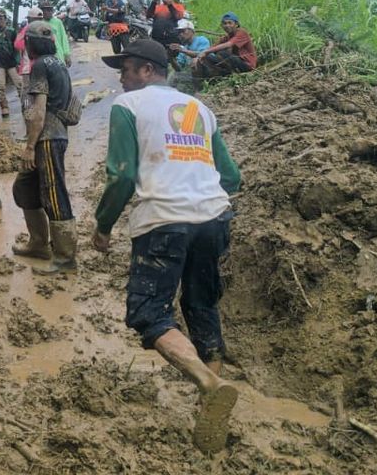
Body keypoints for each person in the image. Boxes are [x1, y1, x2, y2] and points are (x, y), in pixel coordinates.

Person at [91, 39, 241, 453]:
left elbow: (121, 175)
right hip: (213, 217)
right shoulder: (201, 110)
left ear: (144, 71)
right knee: (202, 306)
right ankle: (207, 417)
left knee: (148, 312)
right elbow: (231, 176)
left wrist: (103, 226)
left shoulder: (131, 106)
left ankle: (210, 383)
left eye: (125, 69)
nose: (121, 78)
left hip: (163, 221)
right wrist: (200, 192)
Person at [11, 21, 77, 272]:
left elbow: (39, 110)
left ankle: (65, 256)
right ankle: (38, 242)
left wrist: (29, 146)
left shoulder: (39, 66)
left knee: (53, 194)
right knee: (24, 187)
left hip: (47, 137)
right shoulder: (59, 64)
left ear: (30, 44)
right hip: (52, 135)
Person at [193, 13, 257, 81]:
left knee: (223, 53)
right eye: (225, 23)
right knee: (207, 58)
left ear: (236, 24)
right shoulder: (226, 37)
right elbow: (212, 48)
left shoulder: (242, 32)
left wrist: (206, 51)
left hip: (247, 65)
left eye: (230, 23)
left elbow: (229, 44)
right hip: (235, 63)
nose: (227, 25)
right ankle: (211, 79)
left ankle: (230, 73)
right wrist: (198, 57)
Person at [0, 9, 21, 120]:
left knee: (19, 84)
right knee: (0, 86)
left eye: (1, 18)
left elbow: (17, 47)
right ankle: (4, 107)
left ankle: (25, 104)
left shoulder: (11, 32)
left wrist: (17, 61)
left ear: (5, 19)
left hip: (11, 63)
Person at [168, 19, 211, 91]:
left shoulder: (202, 40)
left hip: (205, 75)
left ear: (191, 31)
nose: (180, 35)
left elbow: (203, 54)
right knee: (173, 75)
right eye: (179, 33)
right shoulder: (185, 47)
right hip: (192, 76)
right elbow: (178, 69)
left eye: (183, 31)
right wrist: (171, 58)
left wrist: (183, 51)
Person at [39, 0, 72, 67]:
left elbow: (64, 39)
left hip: (58, 55)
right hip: (44, 57)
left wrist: (67, 55)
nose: (49, 12)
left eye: (51, 10)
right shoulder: (39, 23)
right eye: (47, 10)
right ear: (42, 11)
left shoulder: (58, 22)